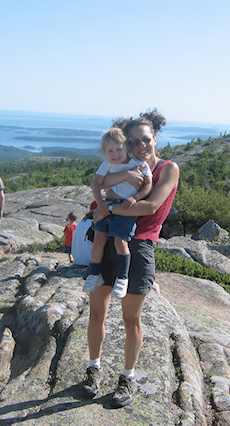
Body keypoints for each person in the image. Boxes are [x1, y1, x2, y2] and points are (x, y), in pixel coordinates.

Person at [82, 109, 179, 408]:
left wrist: (107, 209)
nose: (141, 145)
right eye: (134, 140)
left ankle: (128, 375)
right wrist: (111, 191)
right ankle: (93, 369)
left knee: (130, 318)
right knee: (96, 313)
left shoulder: (166, 168)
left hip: (139, 248)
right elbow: (97, 194)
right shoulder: (120, 163)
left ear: (155, 138)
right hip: (107, 241)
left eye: (146, 139)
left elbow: (149, 208)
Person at [83, 128, 153, 299]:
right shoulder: (107, 164)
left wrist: (135, 198)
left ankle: (122, 278)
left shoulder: (138, 164)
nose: (115, 154)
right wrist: (100, 205)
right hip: (107, 205)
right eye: (110, 151)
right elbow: (96, 184)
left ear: (126, 147)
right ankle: (95, 274)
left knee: (121, 243)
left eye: (118, 149)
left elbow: (148, 185)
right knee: (98, 240)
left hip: (126, 209)